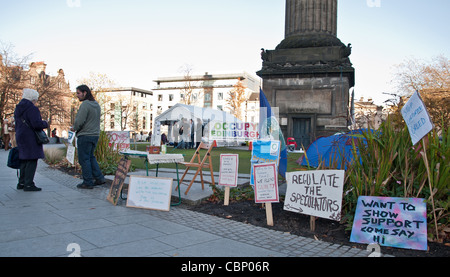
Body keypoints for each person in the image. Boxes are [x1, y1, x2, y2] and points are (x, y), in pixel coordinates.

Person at [70, 85, 106, 189]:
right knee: (90, 157)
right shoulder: (96, 105)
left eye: (78, 93)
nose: (77, 95)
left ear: (85, 93)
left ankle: (88, 181)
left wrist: (74, 128)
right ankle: (99, 178)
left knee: (84, 159)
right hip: (95, 135)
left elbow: (80, 121)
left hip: (85, 135)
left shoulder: (85, 105)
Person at [14, 88, 49, 191]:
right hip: (30, 137)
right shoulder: (32, 108)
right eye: (36, 99)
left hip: (20, 135)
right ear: (33, 99)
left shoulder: (18, 108)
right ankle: (29, 184)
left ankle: (21, 182)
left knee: (24, 159)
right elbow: (36, 124)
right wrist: (45, 123)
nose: (36, 101)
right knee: (32, 159)